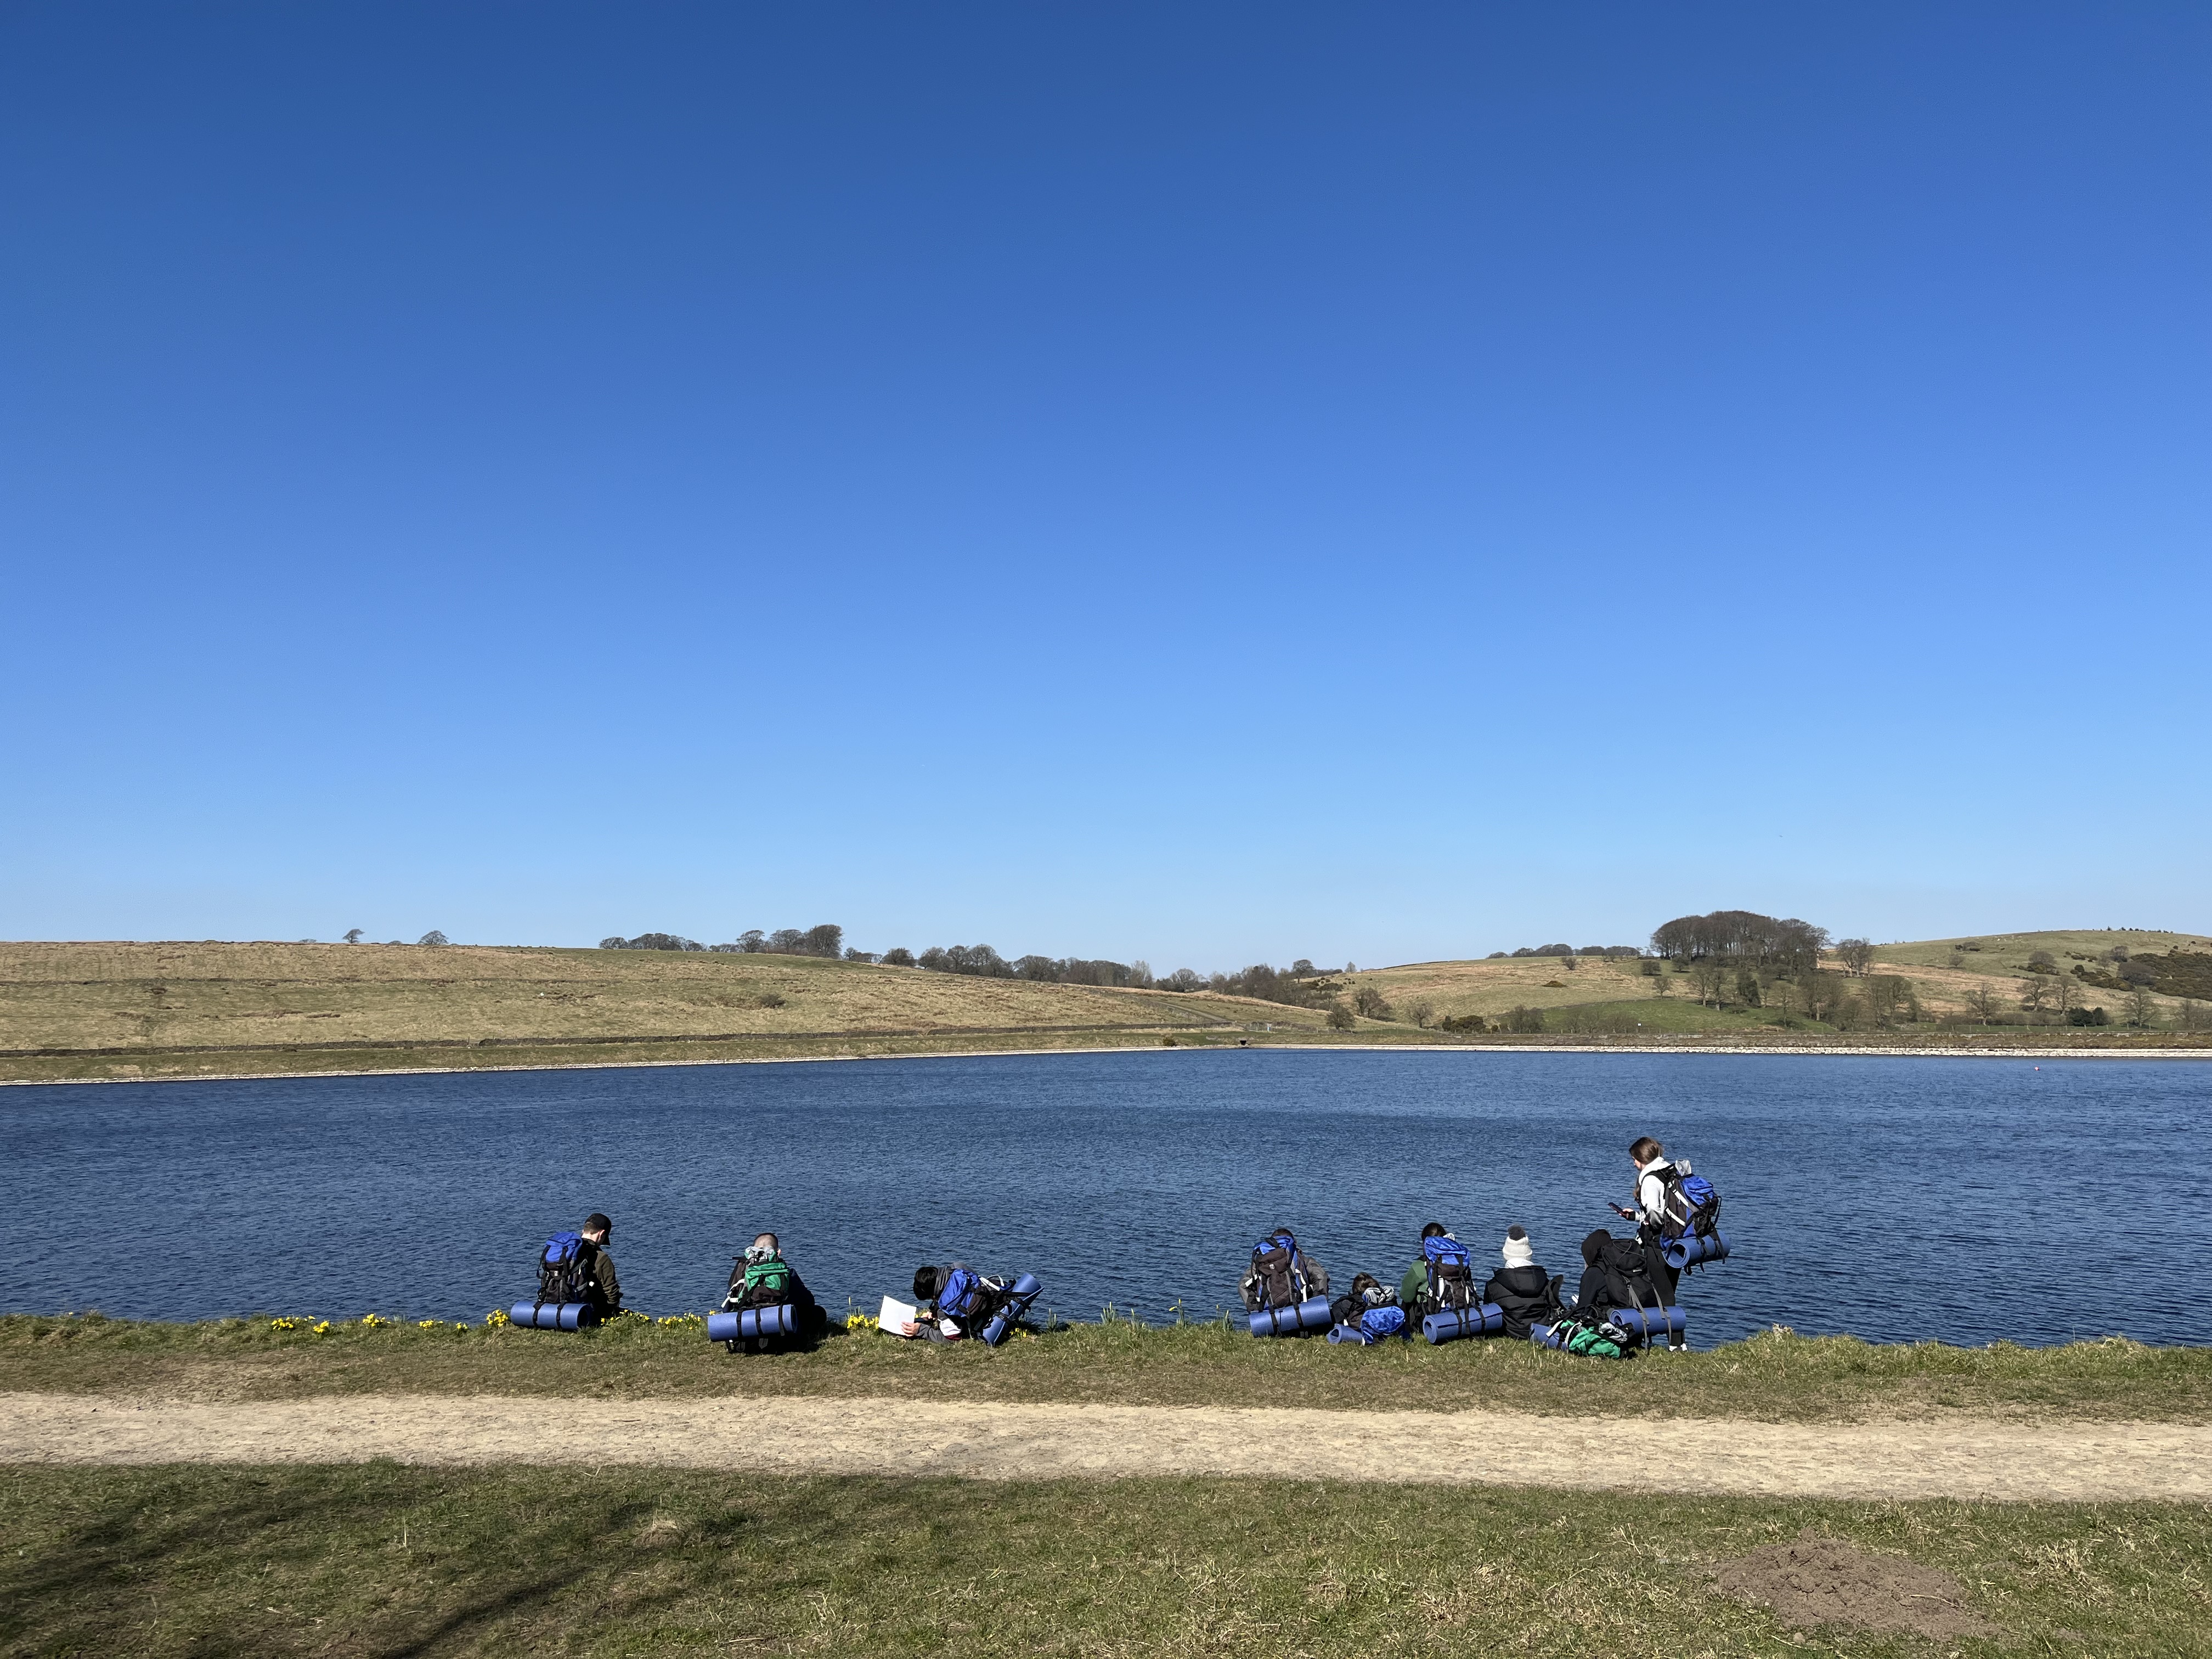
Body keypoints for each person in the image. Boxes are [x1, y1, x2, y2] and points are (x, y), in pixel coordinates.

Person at [720, 1231, 820, 1351]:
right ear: (778, 1252)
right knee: (819, 1313)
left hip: (744, 1337)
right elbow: (808, 1302)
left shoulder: (741, 1270)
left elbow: (727, 1306)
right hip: (781, 1336)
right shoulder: (786, 1273)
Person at [1612, 1136, 1684, 1300]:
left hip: (1658, 1241)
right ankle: (1670, 1315)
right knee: (1670, 1287)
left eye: (1634, 1159)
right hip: (1677, 1237)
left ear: (1642, 1158)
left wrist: (1655, 1225)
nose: (1634, 1164)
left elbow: (1653, 1209)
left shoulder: (1650, 1178)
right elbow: (1667, 1208)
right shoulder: (1669, 1170)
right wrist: (1636, 1217)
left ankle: (1664, 1316)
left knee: (1659, 1292)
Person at [1481, 1225, 1562, 1340]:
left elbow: (1489, 1316)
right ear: (1529, 1255)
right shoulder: (1546, 1282)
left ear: (1506, 1255)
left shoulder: (1493, 1286)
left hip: (1508, 1332)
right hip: (1540, 1333)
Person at [1398, 1221, 1476, 1316]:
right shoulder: (1459, 1263)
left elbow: (1406, 1296)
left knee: (1407, 1303)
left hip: (1433, 1313)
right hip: (1463, 1310)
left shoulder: (1418, 1266)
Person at [578, 1212, 622, 1316]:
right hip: (588, 1312)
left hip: (556, 1308)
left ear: (583, 1231)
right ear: (602, 1234)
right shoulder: (601, 1258)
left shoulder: (565, 1251)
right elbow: (612, 1293)